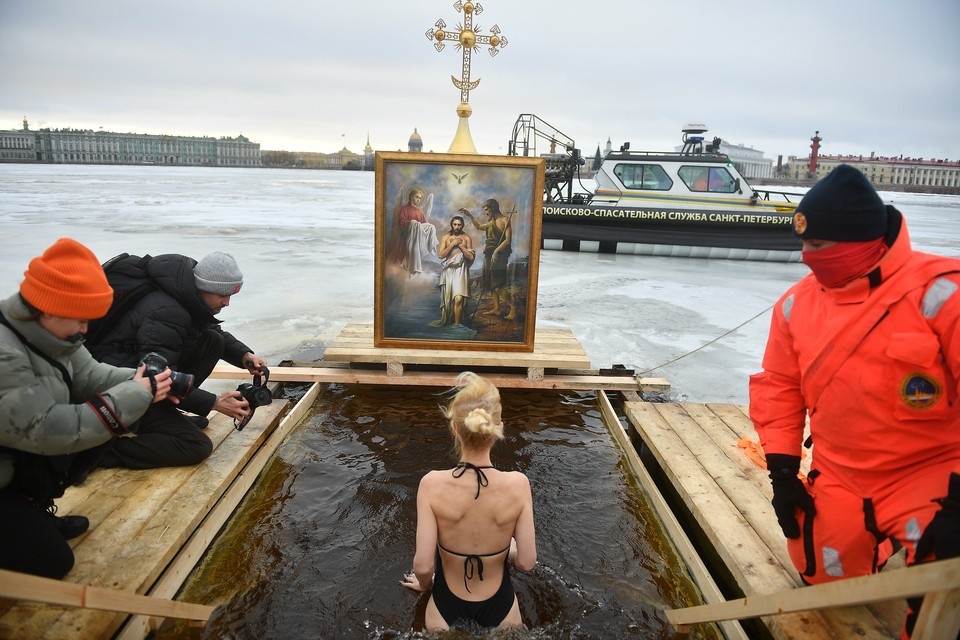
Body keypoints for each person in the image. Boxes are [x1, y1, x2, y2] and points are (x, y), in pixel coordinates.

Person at [748, 164, 960, 637]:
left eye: (819, 245)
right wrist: (782, 472)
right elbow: (779, 386)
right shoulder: (796, 304)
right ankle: (879, 541)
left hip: (929, 471)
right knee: (821, 575)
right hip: (841, 470)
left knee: (943, 591)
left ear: (861, 240)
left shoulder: (943, 291)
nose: (808, 257)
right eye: (804, 244)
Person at [0, 238, 174, 579]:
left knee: (106, 423)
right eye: (81, 320)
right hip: (19, 451)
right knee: (53, 563)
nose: (85, 329)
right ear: (49, 308)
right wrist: (131, 397)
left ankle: (31, 507)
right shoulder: (5, 353)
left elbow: (90, 376)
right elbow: (43, 429)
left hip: (13, 460)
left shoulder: (53, 334)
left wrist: (141, 382)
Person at [86, 251, 268, 470]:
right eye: (222, 295)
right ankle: (101, 452)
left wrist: (243, 355)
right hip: (120, 388)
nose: (227, 302)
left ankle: (167, 412)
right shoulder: (168, 312)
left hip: (137, 373)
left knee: (213, 341)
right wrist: (214, 402)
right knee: (195, 446)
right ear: (205, 286)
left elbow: (209, 328)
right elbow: (158, 376)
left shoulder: (185, 294)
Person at [400, 372, 536, 631]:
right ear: (499, 428)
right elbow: (527, 562)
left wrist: (425, 585)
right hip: (501, 603)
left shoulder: (431, 484)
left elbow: (424, 565)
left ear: (454, 427)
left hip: (444, 603)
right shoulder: (518, 484)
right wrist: (509, 550)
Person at [461, 199, 515, 320]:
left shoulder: (505, 220)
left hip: (499, 254)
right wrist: (470, 215)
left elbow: (508, 240)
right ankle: (496, 309)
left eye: (487, 210)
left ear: (493, 208)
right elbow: (479, 226)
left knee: (497, 284)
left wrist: (496, 251)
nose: (486, 212)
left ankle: (513, 308)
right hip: (489, 253)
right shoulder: (491, 222)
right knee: (491, 283)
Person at [432, 215, 476, 327]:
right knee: (448, 301)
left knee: (458, 298)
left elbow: (471, 257)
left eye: (459, 225)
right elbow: (441, 255)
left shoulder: (467, 238)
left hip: (461, 270)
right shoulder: (446, 237)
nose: (457, 227)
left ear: (462, 225)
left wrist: (459, 244)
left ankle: (457, 326)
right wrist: (452, 244)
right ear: (451, 225)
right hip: (448, 270)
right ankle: (451, 321)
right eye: (455, 224)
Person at [389, 186, 438, 277]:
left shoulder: (420, 211)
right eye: (417, 197)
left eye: (420, 198)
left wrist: (426, 227)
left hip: (417, 238)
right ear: (411, 197)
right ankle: (408, 271)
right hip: (406, 237)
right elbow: (401, 223)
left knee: (431, 227)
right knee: (411, 252)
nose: (419, 200)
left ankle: (415, 271)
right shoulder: (404, 209)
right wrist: (412, 224)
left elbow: (424, 225)